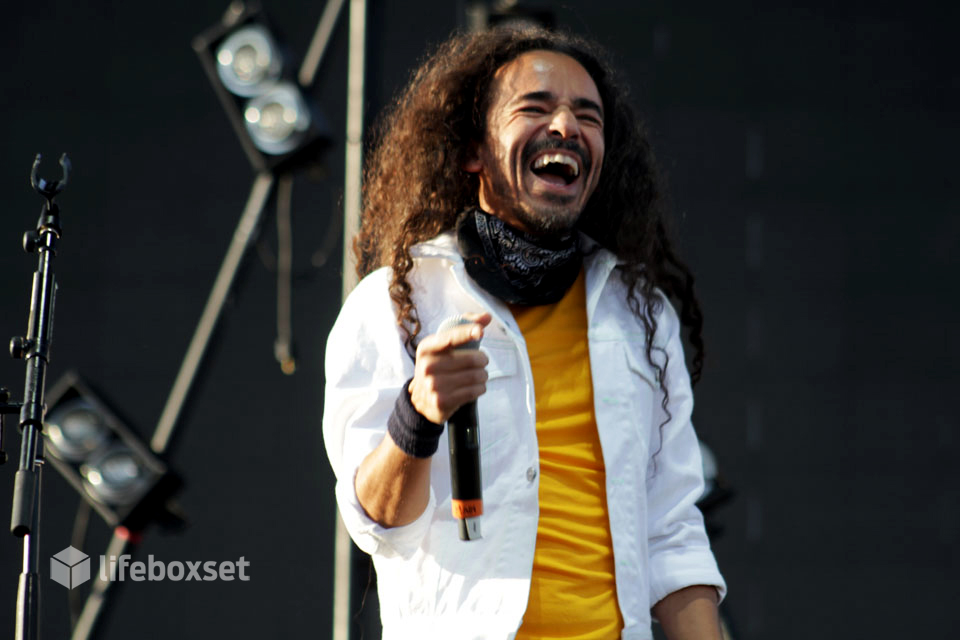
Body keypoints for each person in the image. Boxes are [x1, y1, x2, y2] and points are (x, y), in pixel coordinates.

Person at [323, 25, 726, 640]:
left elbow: (671, 530)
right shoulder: (398, 301)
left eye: (586, 116)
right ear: (472, 151)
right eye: (535, 107)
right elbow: (377, 522)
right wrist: (418, 416)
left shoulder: (639, 314)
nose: (565, 126)